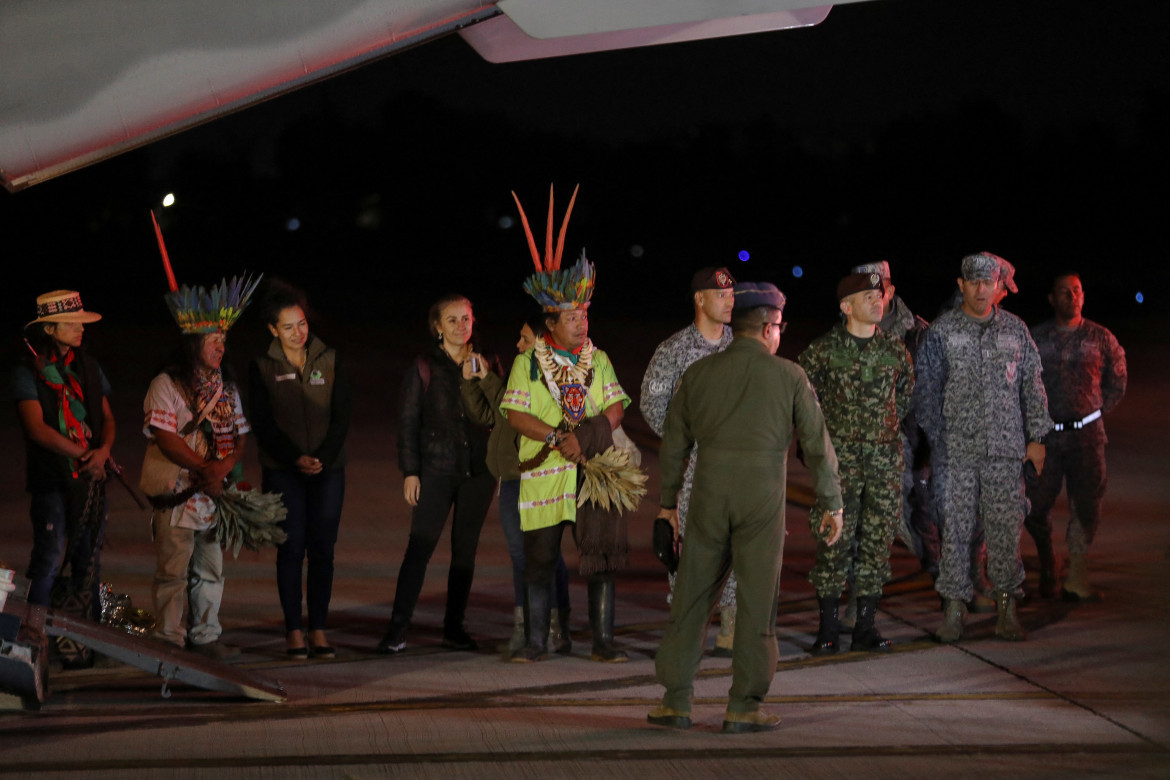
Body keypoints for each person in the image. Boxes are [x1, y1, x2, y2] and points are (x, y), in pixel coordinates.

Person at [648, 281, 844, 733]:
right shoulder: (790, 376)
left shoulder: (698, 375)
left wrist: (667, 506)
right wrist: (831, 502)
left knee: (693, 597)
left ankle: (676, 700)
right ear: (770, 327)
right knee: (758, 604)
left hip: (709, 497)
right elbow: (818, 445)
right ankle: (744, 706)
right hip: (761, 500)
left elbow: (674, 444)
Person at [500, 184, 635, 664]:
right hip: (544, 472)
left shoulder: (598, 359)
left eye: (585, 313)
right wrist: (558, 437)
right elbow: (516, 414)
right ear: (550, 321)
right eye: (572, 316)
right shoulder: (529, 363)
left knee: (599, 559)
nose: (581, 322)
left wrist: (588, 437)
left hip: (593, 470)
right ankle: (537, 641)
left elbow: (617, 407)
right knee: (539, 559)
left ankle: (603, 642)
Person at [912, 252, 1052, 643]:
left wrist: (1037, 438)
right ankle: (954, 610)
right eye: (972, 282)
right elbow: (925, 392)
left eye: (987, 282)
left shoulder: (1015, 330)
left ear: (997, 287)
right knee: (954, 531)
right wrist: (941, 438)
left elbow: (1032, 386)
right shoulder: (942, 331)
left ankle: (1007, 607)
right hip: (955, 453)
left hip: (1005, 453)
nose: (979, 289)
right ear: (961, 285)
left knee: (1005, 531)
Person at [141, 274, 258, 658]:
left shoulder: (227, 384)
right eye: (213, 341)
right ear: (193, 343)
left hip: (212, 495)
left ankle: (206, 636)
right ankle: (170, 640)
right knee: (173, 572)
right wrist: (206, 469)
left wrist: (222, 470)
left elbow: (240, 435)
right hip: (179, 494)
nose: (221, 348)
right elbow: (166, 437)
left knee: (210, 570)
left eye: (223, 341)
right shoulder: (166, 384)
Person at [799, 272, 913, 655]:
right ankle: (828, 629)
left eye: (879, 295)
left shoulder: (896, 351)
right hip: (839, 465)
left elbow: (904, 399)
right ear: (846, 307)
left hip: (883, 463)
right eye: (867, 297)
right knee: (833, 541)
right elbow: (803, 406)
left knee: (878, 543)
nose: (878, 301)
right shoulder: (821, 352)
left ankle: (866, 625)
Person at [377, 294, 497, 655]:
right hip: (436, 470)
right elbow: (408, 422)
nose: (461, 326)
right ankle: (397, 629)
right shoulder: (425, 366)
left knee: (465, 553)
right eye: (452, 320)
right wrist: (410, 472)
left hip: (478, 472)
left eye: (466, 319)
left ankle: (454, 628)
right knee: (420, 548)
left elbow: (501, 412)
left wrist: (483, 378)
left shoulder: (487, 362)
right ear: (437, 327)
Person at [249, 281, 352, 658]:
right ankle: (294, 629)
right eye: (288, 326)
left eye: (302, 323)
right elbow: (262, 423)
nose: (299, 332)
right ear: (273, 330)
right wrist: (295, 458)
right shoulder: (262, 366)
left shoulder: (331, 358)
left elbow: (341, 417)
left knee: (323, 549)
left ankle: (319, 628)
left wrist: (321, 456)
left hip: (328, 469)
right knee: (290, 549)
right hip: (283, 470)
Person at [639, 266, 737, 656]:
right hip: (694, 466)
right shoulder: (675, 350)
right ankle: (689, 624)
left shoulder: (742, 346)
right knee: (694, 546)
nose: (730, 301)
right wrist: (684, 441)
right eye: (721, 294)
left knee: (738, 542)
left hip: (737, 463)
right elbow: (652, 402)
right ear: (700, 299)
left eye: (732, 295)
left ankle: (731, 623)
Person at [461, 313, 572, 656]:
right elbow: (490, 415)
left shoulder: (553, 378)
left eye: (524, 339)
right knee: (522, 556)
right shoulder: (521, 372)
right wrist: (471, 382)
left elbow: (516, 412)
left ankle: (551, 630)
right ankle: (529, 628)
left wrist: (491, 381)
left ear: (543, 342)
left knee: (541, 555)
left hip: (537, 477)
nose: (517, 344)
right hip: (510, 477)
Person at [13, 291, 114, 663]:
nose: (80, 329)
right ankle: (32, 638)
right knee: (50, 558)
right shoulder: (27, 372)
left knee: (89, 560)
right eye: (72, 323)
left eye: (81, 322)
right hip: (53, 480)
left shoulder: (87, 366)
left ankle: (90, 640)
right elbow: (37, 430)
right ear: (49, 328)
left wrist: (101, 453)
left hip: (91, 475)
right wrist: (85, 454)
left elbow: (107, 419)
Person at [1025, 272, 1126, 601]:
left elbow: (1117, 381)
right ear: (1052, 298)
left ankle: (1076, 575)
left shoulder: (1100, 337)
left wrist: (1093, 412)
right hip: (1046, 437)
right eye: (1065, 292)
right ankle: (1048, 561)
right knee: (1034, 505)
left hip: (1087, 437)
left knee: (1086, 506)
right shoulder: (1035, 338)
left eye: (1078, 290)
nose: (1073, 296)